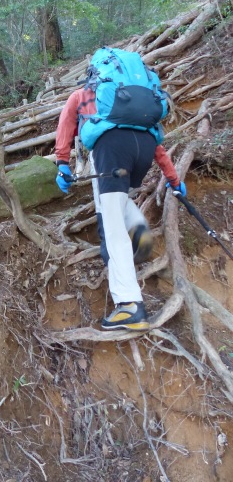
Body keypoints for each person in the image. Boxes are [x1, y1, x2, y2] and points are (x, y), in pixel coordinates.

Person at [55, 83, 186, 331]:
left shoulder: (82, 95)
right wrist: (174, 180)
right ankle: (137, 225)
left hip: (111, 149)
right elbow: (157, 145)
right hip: (143, 150)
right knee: (115, 200)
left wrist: (62, 162)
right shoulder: (129, 105)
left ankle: (130, 305)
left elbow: (65, 126)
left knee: (113, 228)